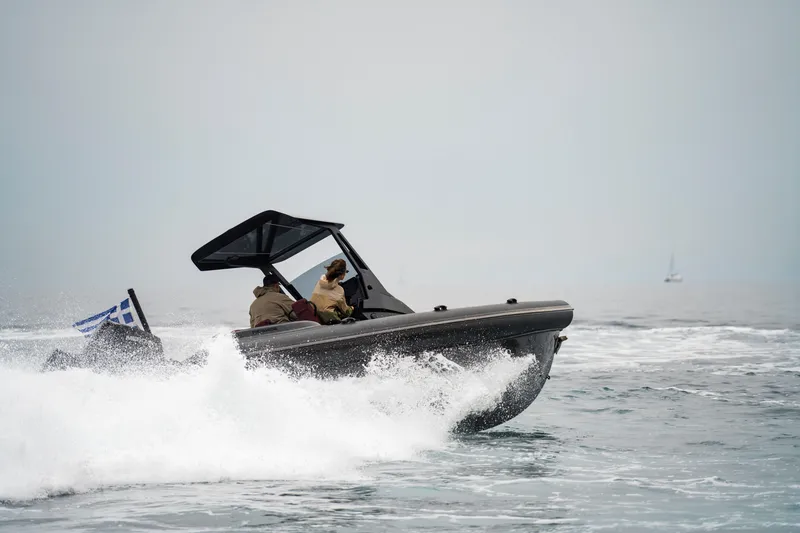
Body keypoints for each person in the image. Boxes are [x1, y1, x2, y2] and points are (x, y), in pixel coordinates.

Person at [309, 259, 354, 324]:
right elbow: (346, 312)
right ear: (342, 275)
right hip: (330, 322)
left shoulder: (319, 283)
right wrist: (352, 308)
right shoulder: (339, 290)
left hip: (314, 319)